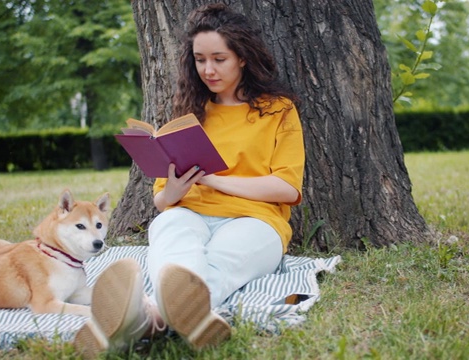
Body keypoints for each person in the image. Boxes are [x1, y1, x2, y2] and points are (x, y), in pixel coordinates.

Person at [73, 3, 305, 357]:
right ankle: (177, 316)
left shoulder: (279, 110)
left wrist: (214, 180)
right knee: (172, 244)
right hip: (188, 212)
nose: (208, 70)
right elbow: (161, 200)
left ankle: (143, 320)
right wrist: (175, 192)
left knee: (219, 265)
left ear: (242, 57)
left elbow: (287, 188)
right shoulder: (190, 111)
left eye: (219, 58)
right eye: (199, 60)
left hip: (256, 220)